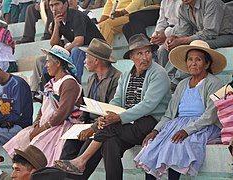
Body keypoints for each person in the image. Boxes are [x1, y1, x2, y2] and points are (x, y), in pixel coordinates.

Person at [54, 33, 171, 180]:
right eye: (140, 53)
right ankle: (79, 173)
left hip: (149, 122)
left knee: (109, 127)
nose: (145, 57)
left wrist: (117, 118)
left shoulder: (159, 73)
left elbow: (148, 105)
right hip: (129, 123)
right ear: (132, 57)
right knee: (110, 144)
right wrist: (106, 115)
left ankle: (81, 161)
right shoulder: (127, 75)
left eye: (147, 52)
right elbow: (117, 100)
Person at [136, 40, 226, 180]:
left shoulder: (214, 83)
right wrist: (156, 130)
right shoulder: (182, 84)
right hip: (177, 124)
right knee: (153, 146)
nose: (193, 63)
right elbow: (169, 114)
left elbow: (210, 116)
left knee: (176, 146)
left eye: (198, 60)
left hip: (202, 126)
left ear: (207, 64)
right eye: (190, 59)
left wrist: (187, 130)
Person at [4, 45, 83, 166]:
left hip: (59, 126)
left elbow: (63, 112)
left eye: (48, 62)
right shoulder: (52, 83)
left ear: (57, 63)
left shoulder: (69, 83)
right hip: (46, 125)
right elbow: (44, 106)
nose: (46, 65)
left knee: (37, 152)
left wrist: (43, 128)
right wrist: (37, 121)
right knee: (20, 144)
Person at [59, 38, 121, 180]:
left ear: (97, 60)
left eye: (87, 57)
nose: (84, 61)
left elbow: (111, 112)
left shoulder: (116, 78)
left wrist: (92, 128)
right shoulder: (92, 78)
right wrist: (81, 121)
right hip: (91, 124)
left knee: (85, 150)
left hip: (105, 126)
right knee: (69, 145)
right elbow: (88, 106)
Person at [157, 0, 233, 90]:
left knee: (194, 46)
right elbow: (183, 32)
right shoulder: (183, 8)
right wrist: (173, 38)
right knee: (164, 48)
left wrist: (181, 40)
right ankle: (164, 79)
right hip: (204, 37)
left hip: (224, 36)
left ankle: (176, 81)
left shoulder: (211, 2)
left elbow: (210, 32)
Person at [49, 0, 104, 81]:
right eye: (51, 6)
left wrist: (62, 53)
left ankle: (74, 82)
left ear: (66, 4)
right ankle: (49, 87)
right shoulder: (57, 19)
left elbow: (79, 41)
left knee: (76, 50)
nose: (54, 9)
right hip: (84, 47)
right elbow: (54, 44)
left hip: (97, 47)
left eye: (57, 4)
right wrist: (56, 26)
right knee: (50, 54)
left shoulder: (77, 15)